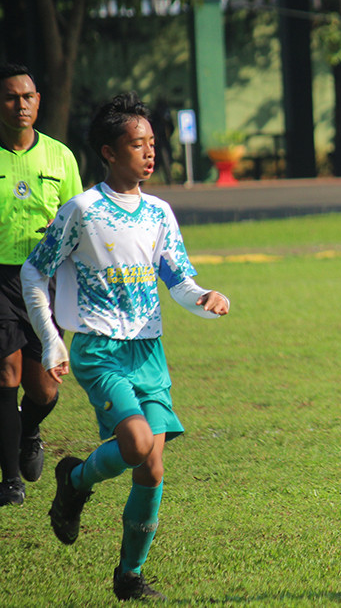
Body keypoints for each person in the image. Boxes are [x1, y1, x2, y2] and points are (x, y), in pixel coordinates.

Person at [20, 92, 230, 601]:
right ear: (109, 152)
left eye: (152, 144)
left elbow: (176, 278)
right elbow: (34, 271)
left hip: (148, 351)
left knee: (152, 467)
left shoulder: (159, 212)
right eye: (137, 145)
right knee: (136, 444)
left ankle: (129, 575)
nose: (149, 153)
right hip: (100, 350)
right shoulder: (83, 210)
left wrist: (204, 296)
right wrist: (52, 341)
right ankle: (75, 480)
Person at [0, 62, 82, 506]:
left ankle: (27, 430)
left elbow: (79, 217)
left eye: (27, 96)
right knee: (5, 374)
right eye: (11, 97)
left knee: (44, 387)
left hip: (46, 279)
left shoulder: (60, 156)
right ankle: (10, 481)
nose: (20, 104)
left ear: (38, 102)